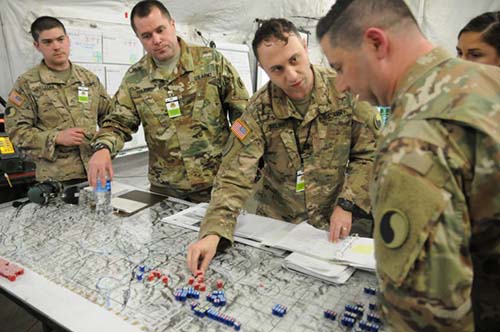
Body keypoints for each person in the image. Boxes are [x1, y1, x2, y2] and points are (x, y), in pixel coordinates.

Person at [317, 1, 500, 332]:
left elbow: (429, 317)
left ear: (376, 43)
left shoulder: (413, 141)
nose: (340, 85)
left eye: (340, 67)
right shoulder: (488, 78)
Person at [187, 18, 380, 275]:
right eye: (276, 69)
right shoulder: (258, 110)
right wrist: (213, 231)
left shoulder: (347, 91)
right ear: (265, 70)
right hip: (276, 226)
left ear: (304, 45)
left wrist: (347, 204)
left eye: (294, 60)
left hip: (331, 224)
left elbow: (370, 154)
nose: (291, 76)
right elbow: (234, 175)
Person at [87, 0, 249, 201]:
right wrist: (102, 148)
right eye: (147, 36)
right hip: (165, 190)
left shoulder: (211, 61)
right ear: (139, 38)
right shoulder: (135, 78)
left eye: (160, 30)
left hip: (216, 183)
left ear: (172, 24)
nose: (156, 39)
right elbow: (118, 123)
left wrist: (245, 152)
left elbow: (242, 115)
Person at [4, 16, 112, 183]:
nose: (56, 47)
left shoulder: (88, 79)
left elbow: (111, 118)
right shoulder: (27, 84)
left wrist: (103, 146)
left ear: (67, 40)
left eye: (60, 39)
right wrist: (56, 138)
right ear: (37, 46)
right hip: (56, 179)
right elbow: (16, 132)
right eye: (48, 42)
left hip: (95, 173)